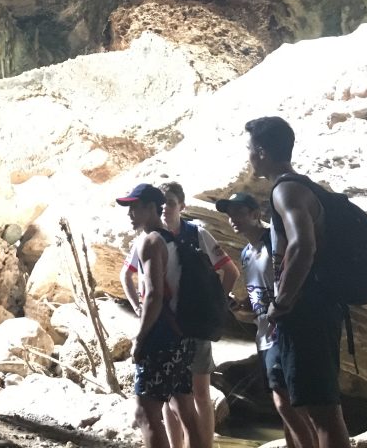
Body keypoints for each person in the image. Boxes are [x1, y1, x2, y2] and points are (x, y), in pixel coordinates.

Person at [245, 116, 350, 448]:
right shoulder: (299, 186)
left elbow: (303, 245)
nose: (248, 156)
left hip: (308, 313)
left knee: (324, 415)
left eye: (249, 149)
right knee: (316, 409)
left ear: (261, 152)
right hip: (316, 309)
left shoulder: (286, 190)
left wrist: (281, 303)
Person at [218, 192, 316, 448]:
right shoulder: (246, 253)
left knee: (288, 402)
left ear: (255, 214)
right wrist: (240, 306)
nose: (233, 219)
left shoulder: (275, 241)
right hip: (264, 333)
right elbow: (257, 299)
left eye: (239, 212)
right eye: (229, 214)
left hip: (286, 328)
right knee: (284, 403)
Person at [117, 183, 202, 448]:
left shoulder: (151, 241)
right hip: (182, 334)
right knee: (185, 410)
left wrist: (141, 338)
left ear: (153, 208)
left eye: (135, 207)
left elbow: (153, 294)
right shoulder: (172, 239)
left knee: (146, 413)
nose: (130, 213)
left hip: (162, 335)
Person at [158, 182, 239, 448]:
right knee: (169, 396)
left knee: (201, 393)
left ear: (181, 206)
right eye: (160, 203)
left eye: (170, 202)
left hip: (194, 323)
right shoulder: (153, 237)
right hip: (166, 326)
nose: (164, 208)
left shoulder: (197, 234)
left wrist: (216, 305)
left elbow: (230, 271)